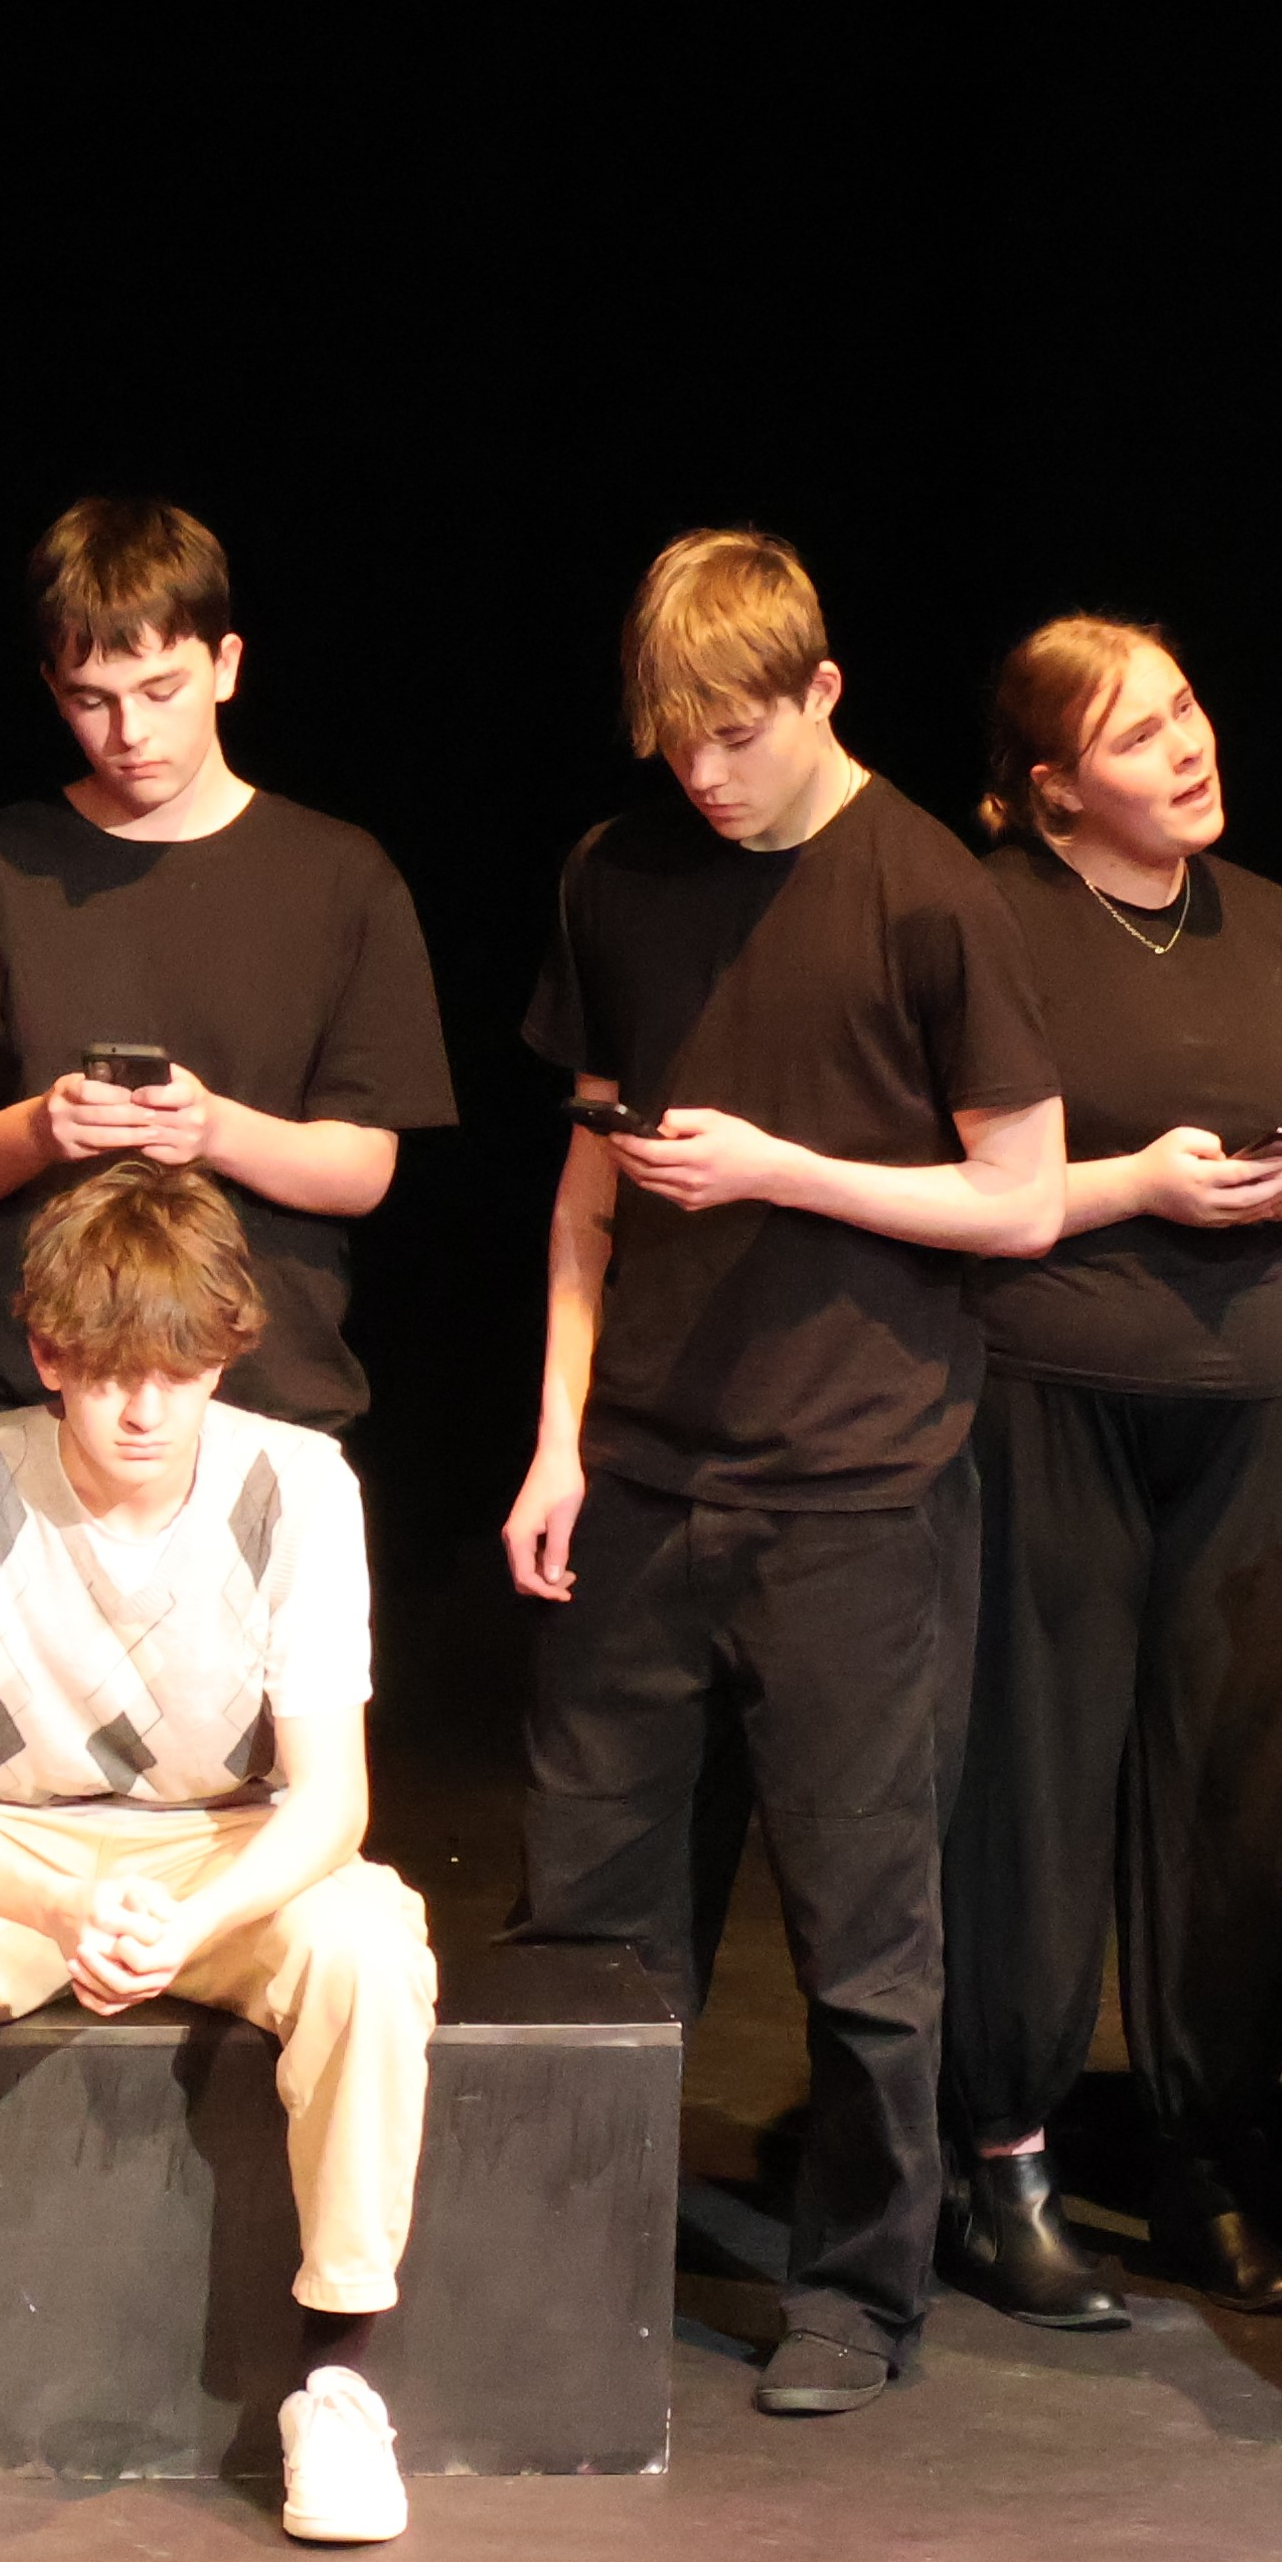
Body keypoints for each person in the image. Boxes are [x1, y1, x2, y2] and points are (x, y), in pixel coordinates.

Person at [507, 531, 1063, 2417]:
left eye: (737, 736)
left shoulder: (928, 895)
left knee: (861, 1926)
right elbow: (587, 1189)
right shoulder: (617, 873)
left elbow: (1021, 1197)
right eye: (675, 741)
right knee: (590, 1899)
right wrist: (557, 1438)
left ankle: (855, 2289)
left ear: (823, 692)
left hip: (857, 1488)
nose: (706, 775)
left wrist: (786, 1171)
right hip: (641, 1475)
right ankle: (568, 2256)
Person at [0, 1165, 433, 2549]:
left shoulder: (299, 1486)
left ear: (225, 1357)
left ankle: (337, 2380)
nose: (145, 1408)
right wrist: (66, 1902)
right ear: (48, 1356)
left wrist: (189, 1923)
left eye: (178, 1372)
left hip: (228, 1844)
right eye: (112, 1372)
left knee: (370, 1945)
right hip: (6, 1843)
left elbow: (331, 1802)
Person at [936, 618, 1282, 2329]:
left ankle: (1207, 2161)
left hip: (1247, 1403)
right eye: (1137, 735)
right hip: (1051, 1396)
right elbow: (963, 1186)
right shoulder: (989, 917)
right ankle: (1005, 2160)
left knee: (1234, 1798)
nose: (1187, 745)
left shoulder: (1270, 921)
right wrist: (1142, 1185)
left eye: (1184, 707)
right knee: (1035, 1782)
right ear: (1054, 790)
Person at [0, 495, 456, 1435]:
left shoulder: (340, 876)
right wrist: (38, 1130)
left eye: (161, 690)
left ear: (226, 665)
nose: (129, 732)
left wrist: (212, 1128)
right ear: (54, 690)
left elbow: (364, 1167)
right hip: (13, 1397)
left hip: (255, 1400)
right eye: (92, 700)